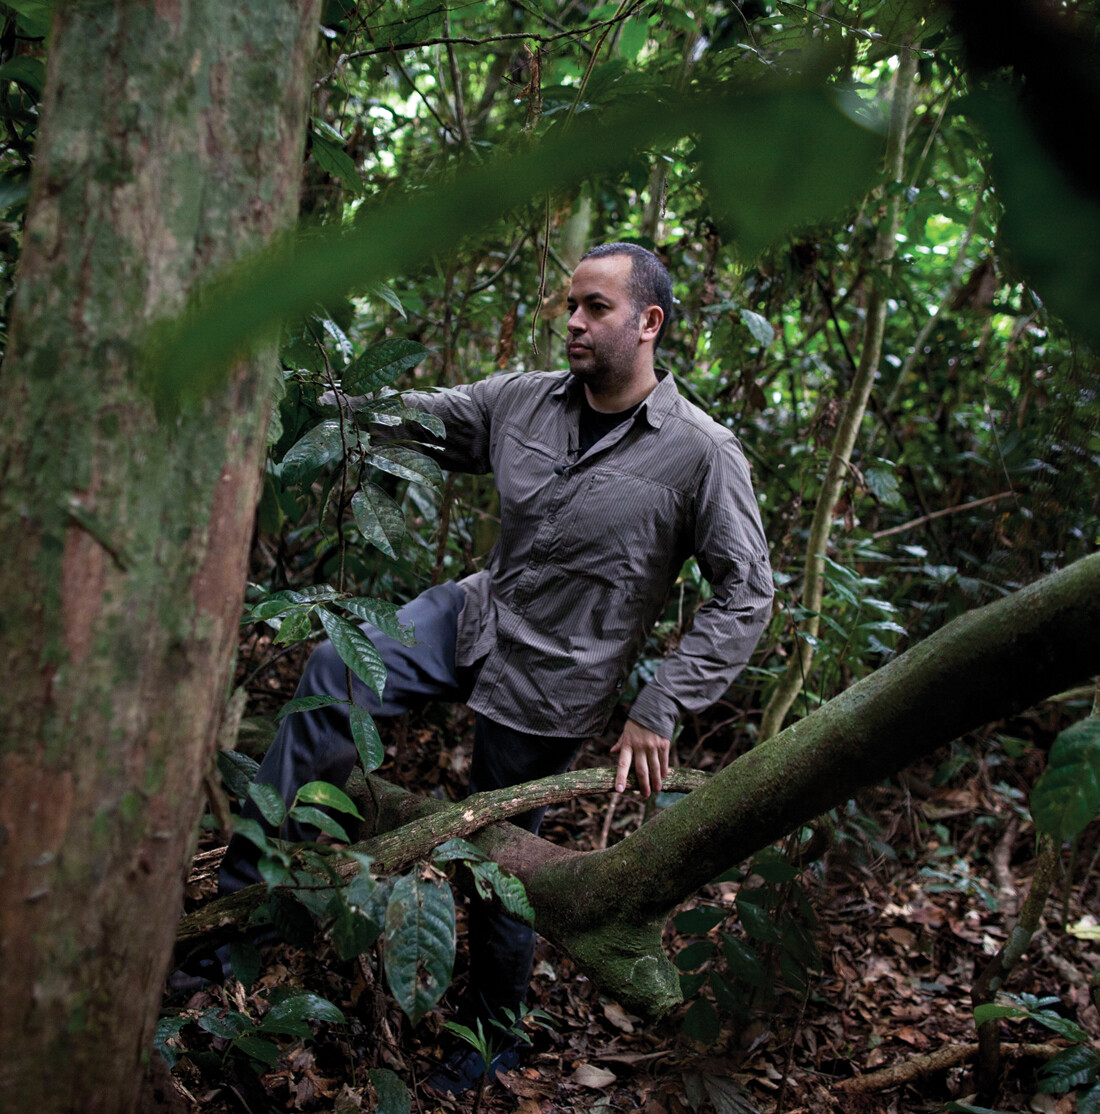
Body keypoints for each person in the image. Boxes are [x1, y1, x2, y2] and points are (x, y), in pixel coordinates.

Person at [218, 242, 774, 1093]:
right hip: (477, 614)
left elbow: (747, 592)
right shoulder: (525, 399)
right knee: (336, 667)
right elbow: (419, 414)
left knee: (496, 855)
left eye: (596, 308)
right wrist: (311, 386)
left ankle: (494, 1037)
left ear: (650, 323)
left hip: (557, 680)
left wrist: (662, 703)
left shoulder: (701, 454)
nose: (575, 322)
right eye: (572, 306)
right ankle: (249, 914)